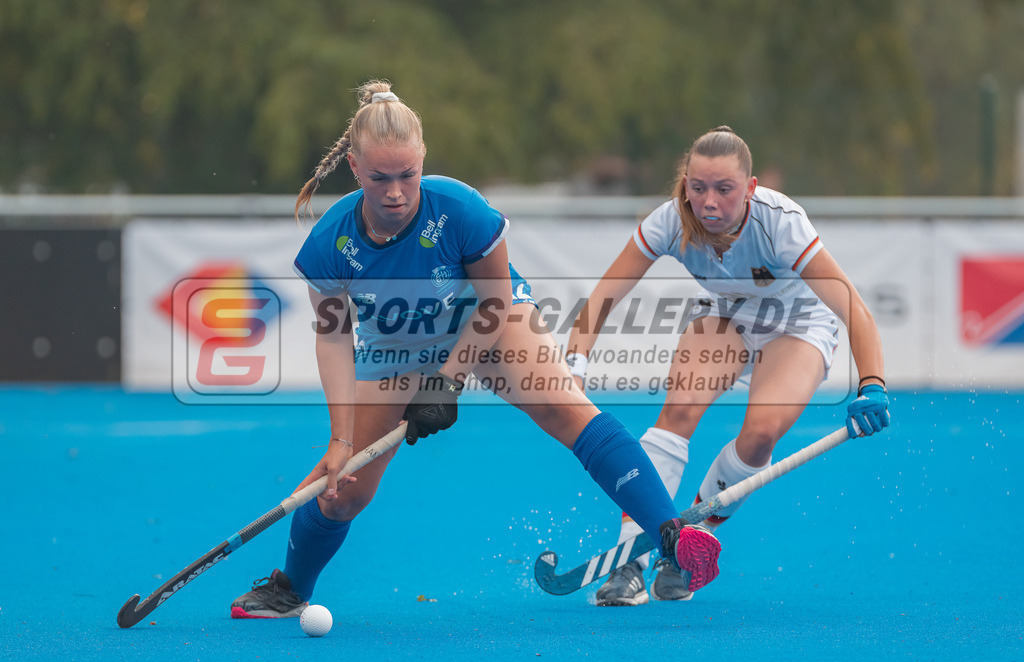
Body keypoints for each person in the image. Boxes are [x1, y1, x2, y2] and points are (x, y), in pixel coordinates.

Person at [230, 80, 718, 618]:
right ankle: (289, 589)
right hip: (395, 349)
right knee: (343, 491)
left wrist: (449, 379)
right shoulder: (331, 242)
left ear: (422, 161)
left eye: (407, 176)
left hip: (486, 324)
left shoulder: (460, 209)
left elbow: (496, 300)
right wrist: (340, 437)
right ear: (354, 166)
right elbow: (334, 339)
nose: (395, 192)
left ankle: (670, 534)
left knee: (565, 408)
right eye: (379, 178)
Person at [564, 126, 890, 606]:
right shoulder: (671, 221)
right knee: (677, 415)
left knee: (760, 436)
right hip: (727, 315)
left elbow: (853, 309)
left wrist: (872, 384)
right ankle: (629, 560)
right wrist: (574, 363)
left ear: (751, 188)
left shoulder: (782, 223)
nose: (709, 202)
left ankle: (688, 542)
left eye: (724, 189)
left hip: (798, 324)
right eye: (698, 189)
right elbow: (605, 296)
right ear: (685, 185)